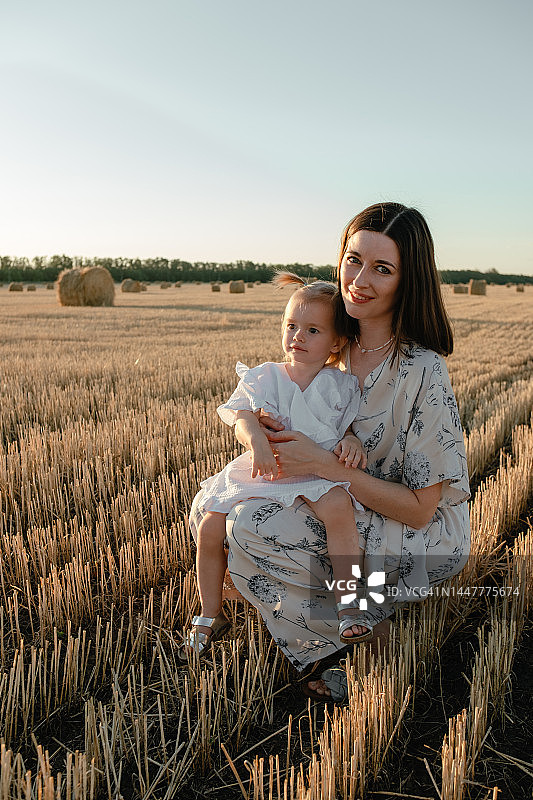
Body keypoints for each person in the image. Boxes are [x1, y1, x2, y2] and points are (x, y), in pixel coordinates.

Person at [189, 202, 470, 701]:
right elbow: (260, 408)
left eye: (382, 268)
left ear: (408, 281)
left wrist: (319, 463)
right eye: (353, 259)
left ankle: (370, 643)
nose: (359, 279)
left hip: (418, 531)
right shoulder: (330, 347)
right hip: (339, 500)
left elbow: (423, 510)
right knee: (218, 517)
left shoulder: (423, 371)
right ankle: (346, 625)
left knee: (253, 531)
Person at [181, 273, 370, 660]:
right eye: (291, 326)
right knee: (211, 523)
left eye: (312, 330)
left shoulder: (341, 385)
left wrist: (351, 442)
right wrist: (257, 444)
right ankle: (210, 612)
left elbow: (348, 426)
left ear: (336, 342)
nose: (297, 336)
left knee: (339, 509)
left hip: (316, 471)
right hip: (267, 468)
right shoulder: (266, 375)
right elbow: (242, 418)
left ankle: (350, 602)